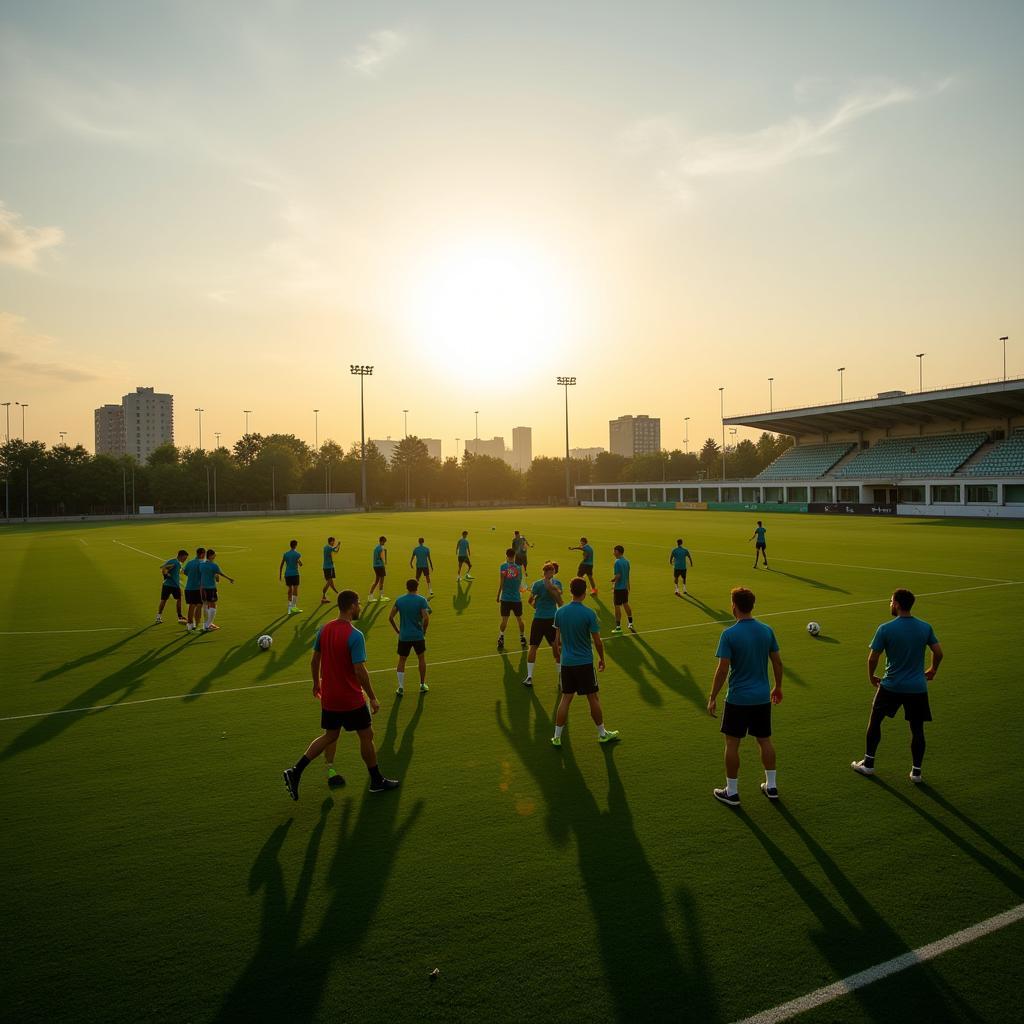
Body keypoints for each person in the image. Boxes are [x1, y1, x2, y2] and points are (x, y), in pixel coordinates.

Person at [282, 590, 398, 799]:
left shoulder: (324, 629)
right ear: (352, 606)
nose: (361, 607)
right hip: (350, 698)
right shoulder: (355, 635)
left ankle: (295, 771)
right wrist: (372, 696)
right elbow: (359, 670)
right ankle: (376, 780)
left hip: (330, 697)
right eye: (359, 603)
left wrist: (316, 684)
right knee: (367, 735)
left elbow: (314, 660)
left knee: (330, 735)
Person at [852, 589, 943, 784]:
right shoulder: (925, 627)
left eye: (891, 601)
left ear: (897, 604)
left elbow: (872, 658)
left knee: (875, 721)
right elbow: (938, 652)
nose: (890, 604)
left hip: (891, 685)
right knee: (917, 729)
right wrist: (932, 669)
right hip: (917, 687)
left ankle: (868, 764)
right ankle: (916, 773)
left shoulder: (885, 628)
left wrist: (871, 677)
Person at [707, 587, 783, 806]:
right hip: (761, 697)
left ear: (734, 606)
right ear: (752, 605)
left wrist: (712, 696)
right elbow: (777, 662)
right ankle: (772, 786)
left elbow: (722, 670)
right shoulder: (767, 630)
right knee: (764, 740)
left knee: (732, 744)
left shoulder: (729, 634)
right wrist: (778, 687)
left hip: (738, 699)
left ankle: (731, 792)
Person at [551, 577, 618, 747]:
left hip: (567, 663)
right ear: (585, 591)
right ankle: (602, 733)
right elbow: (597, 641)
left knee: (566, 698)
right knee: (592, 697)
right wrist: (602, 658)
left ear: (571, 591)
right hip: (584, 662)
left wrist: (558, 655)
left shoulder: (560, 612)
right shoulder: (589, 613)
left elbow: (556, 640)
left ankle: (557, 736)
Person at [388, 578, 431, 696]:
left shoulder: (400, 600)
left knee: (402, 660)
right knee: (421, 658)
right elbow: (426, 617)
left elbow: (390, 617)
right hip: (418, 635)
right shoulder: (421, 600)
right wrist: (424, 631)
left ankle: (401, 687)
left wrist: (398, 630)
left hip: (404, 636)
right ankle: (422, 685)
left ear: (407, 587)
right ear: (417, 587)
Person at [525, 560, 563, 686]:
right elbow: (559, 600)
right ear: (552, 572)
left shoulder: (537, 584)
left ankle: (529, 676)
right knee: (556, 646)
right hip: (552, 619)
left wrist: (537, 607)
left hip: (539, 619)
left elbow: (530, 601)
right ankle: (560, 677)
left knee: (533, 647)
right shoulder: (557, 584)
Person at [496, 547, 527, 651]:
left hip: (505, 597)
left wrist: (498, 595)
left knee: (504, 619)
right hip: (516, 598)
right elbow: (520, 583)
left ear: (506, 555)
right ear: (514, 556)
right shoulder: (518, 568)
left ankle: (501, 637)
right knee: (519, 619)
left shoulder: (503, 567)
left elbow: (502, 582)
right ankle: (522, 637)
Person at [198, 548, 235, 633]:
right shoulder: (214, 565)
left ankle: (205, 624)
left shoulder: (201, 565)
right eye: (214, 555)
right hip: (211, 588)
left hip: (202, 588)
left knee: (206, 605)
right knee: (213, 606)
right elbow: (220, 573)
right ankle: (208, 625)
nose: (215, 556)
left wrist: (214, 575)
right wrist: (229, 579)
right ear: (211, 556)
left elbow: (205, 574)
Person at [156, 549, 189, 624]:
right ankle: (179, 616)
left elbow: (163, 567)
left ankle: (159, 616)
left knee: (174, 599)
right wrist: (166, 574)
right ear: (181, 556)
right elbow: (163, 568)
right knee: (166, 600)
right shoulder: (175, 562)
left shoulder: (174, 561)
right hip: (171, 585)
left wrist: (167, 573)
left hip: (170, 584)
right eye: (185, 558)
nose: (185, 559)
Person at [610, 545, 634, 634]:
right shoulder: (627, 561)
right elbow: (627, 575)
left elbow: (618, 576)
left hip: (619, 588)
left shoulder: (617, 562)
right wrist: (628, 586)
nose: (613, 552)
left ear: (617, 552)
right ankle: (630, 622)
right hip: (625, 587)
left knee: (617, 606)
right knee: (626, 604)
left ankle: (618, 627)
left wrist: (613, 581)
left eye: (614, 551)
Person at [182, 547, 206, 632]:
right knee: (199, 605)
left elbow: (184, 572)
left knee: (191, 606)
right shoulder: (203, 563)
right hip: (198, 588)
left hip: (189, 587)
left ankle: (189, 624)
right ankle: (196, 624)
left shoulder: (190, 562)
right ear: (202, 554)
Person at [278, 540, 302, 615]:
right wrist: (299, 563)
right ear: (295, 545)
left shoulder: (286, 554)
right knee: (295, 589)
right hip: (295, 574)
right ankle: (294, 607)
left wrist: (280, 574)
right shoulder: (297, 554)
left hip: (287, 574)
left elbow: (282, 564)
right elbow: (299, 563)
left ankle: (289, 607)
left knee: (289, 589)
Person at [368, 536, 389, 603]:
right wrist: (385, 562)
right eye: (384, 541)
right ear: (382, 541)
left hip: (375, 566)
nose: (384, 543)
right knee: (381, 581)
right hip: (380, 566)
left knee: (376, 581)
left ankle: (370, 596)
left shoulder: (376, 547)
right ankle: (381, 596)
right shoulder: (381, 548)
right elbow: (382, 558)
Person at [320, 537, 342, 604]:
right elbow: (334, 548)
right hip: (328, 567)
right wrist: (338, 544)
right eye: (333, 541)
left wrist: (339, 546)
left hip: (329, 567)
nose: (334, 542)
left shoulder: (326, 547)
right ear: (330, 541)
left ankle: (338, 595)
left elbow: (336, 551)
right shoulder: (328, 547)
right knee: (329, 582)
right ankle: (323, 597)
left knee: (331, 583)